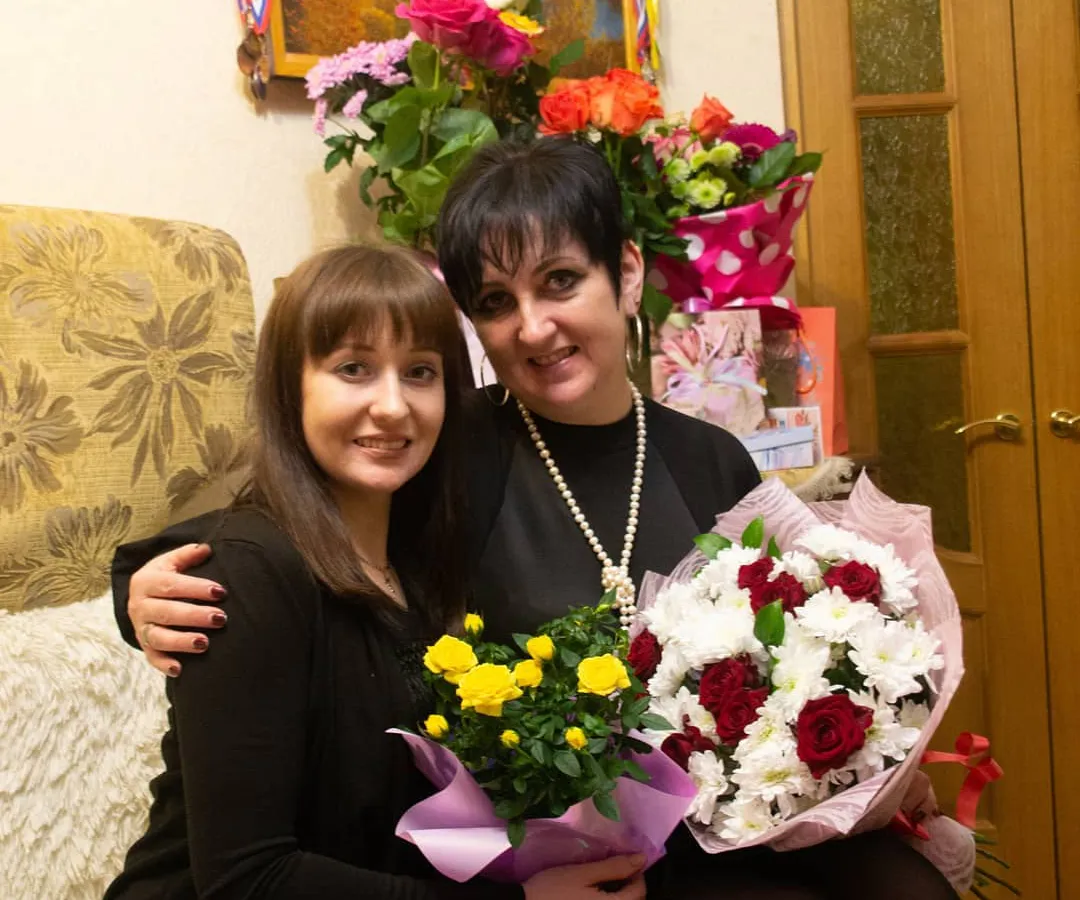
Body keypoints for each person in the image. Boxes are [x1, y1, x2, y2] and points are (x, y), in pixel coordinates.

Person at [112, 140, 955, 899]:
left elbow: (784, 650)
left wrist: (863, 766)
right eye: (494, 300)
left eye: (559, 281)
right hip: (544, 848)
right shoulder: (445, 447)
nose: (533, 327)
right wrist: (136, 592)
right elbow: (286, 524)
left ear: (626, 273)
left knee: (909, 886)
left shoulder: (712, 460)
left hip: (713, 822)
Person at [104, 243, 648, 900]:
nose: (392, 406)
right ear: (289, 387)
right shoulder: (246, 575)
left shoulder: (417, 564)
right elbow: (247, 880)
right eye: (354, 369)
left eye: (419, 372)